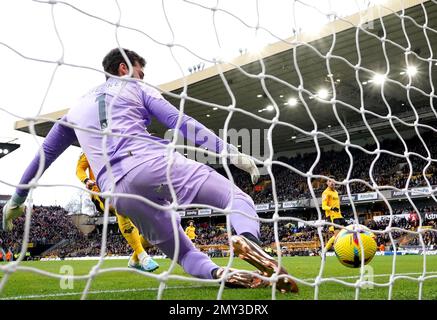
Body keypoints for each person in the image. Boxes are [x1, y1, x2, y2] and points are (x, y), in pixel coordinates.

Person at [2, 48, 298, 292]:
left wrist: (16, 201)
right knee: (237, 200)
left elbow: (43, 157)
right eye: (140, 72)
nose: (143, 77)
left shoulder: (71, 114)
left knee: (183, 253)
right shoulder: (135, 87)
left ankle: (219, 273)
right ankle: (247, 240)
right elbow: (179, 122)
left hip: (117, 192)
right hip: (154, 163)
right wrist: (230, 153)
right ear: (123, 68)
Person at [76, 151, 159, 272]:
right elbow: (79, 169)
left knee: (152, 229)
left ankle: (134, 260)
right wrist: (86, 180)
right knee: (118, 205)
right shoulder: (89, 149)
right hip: (100, 193)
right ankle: (143, 257)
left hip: (123, 189)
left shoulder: (118, 146)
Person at [321, 177, 346, 251]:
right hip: (332, 217)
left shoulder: (336, 192)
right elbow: (323, 206)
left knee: (345, 232)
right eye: (330, 181)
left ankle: (324, 250)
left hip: (339, 215)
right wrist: (331, 208)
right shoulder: (325, 193)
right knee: (337, 235)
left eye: (333, 181)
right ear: (327, 183)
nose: (332, 183)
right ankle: (334, 249)